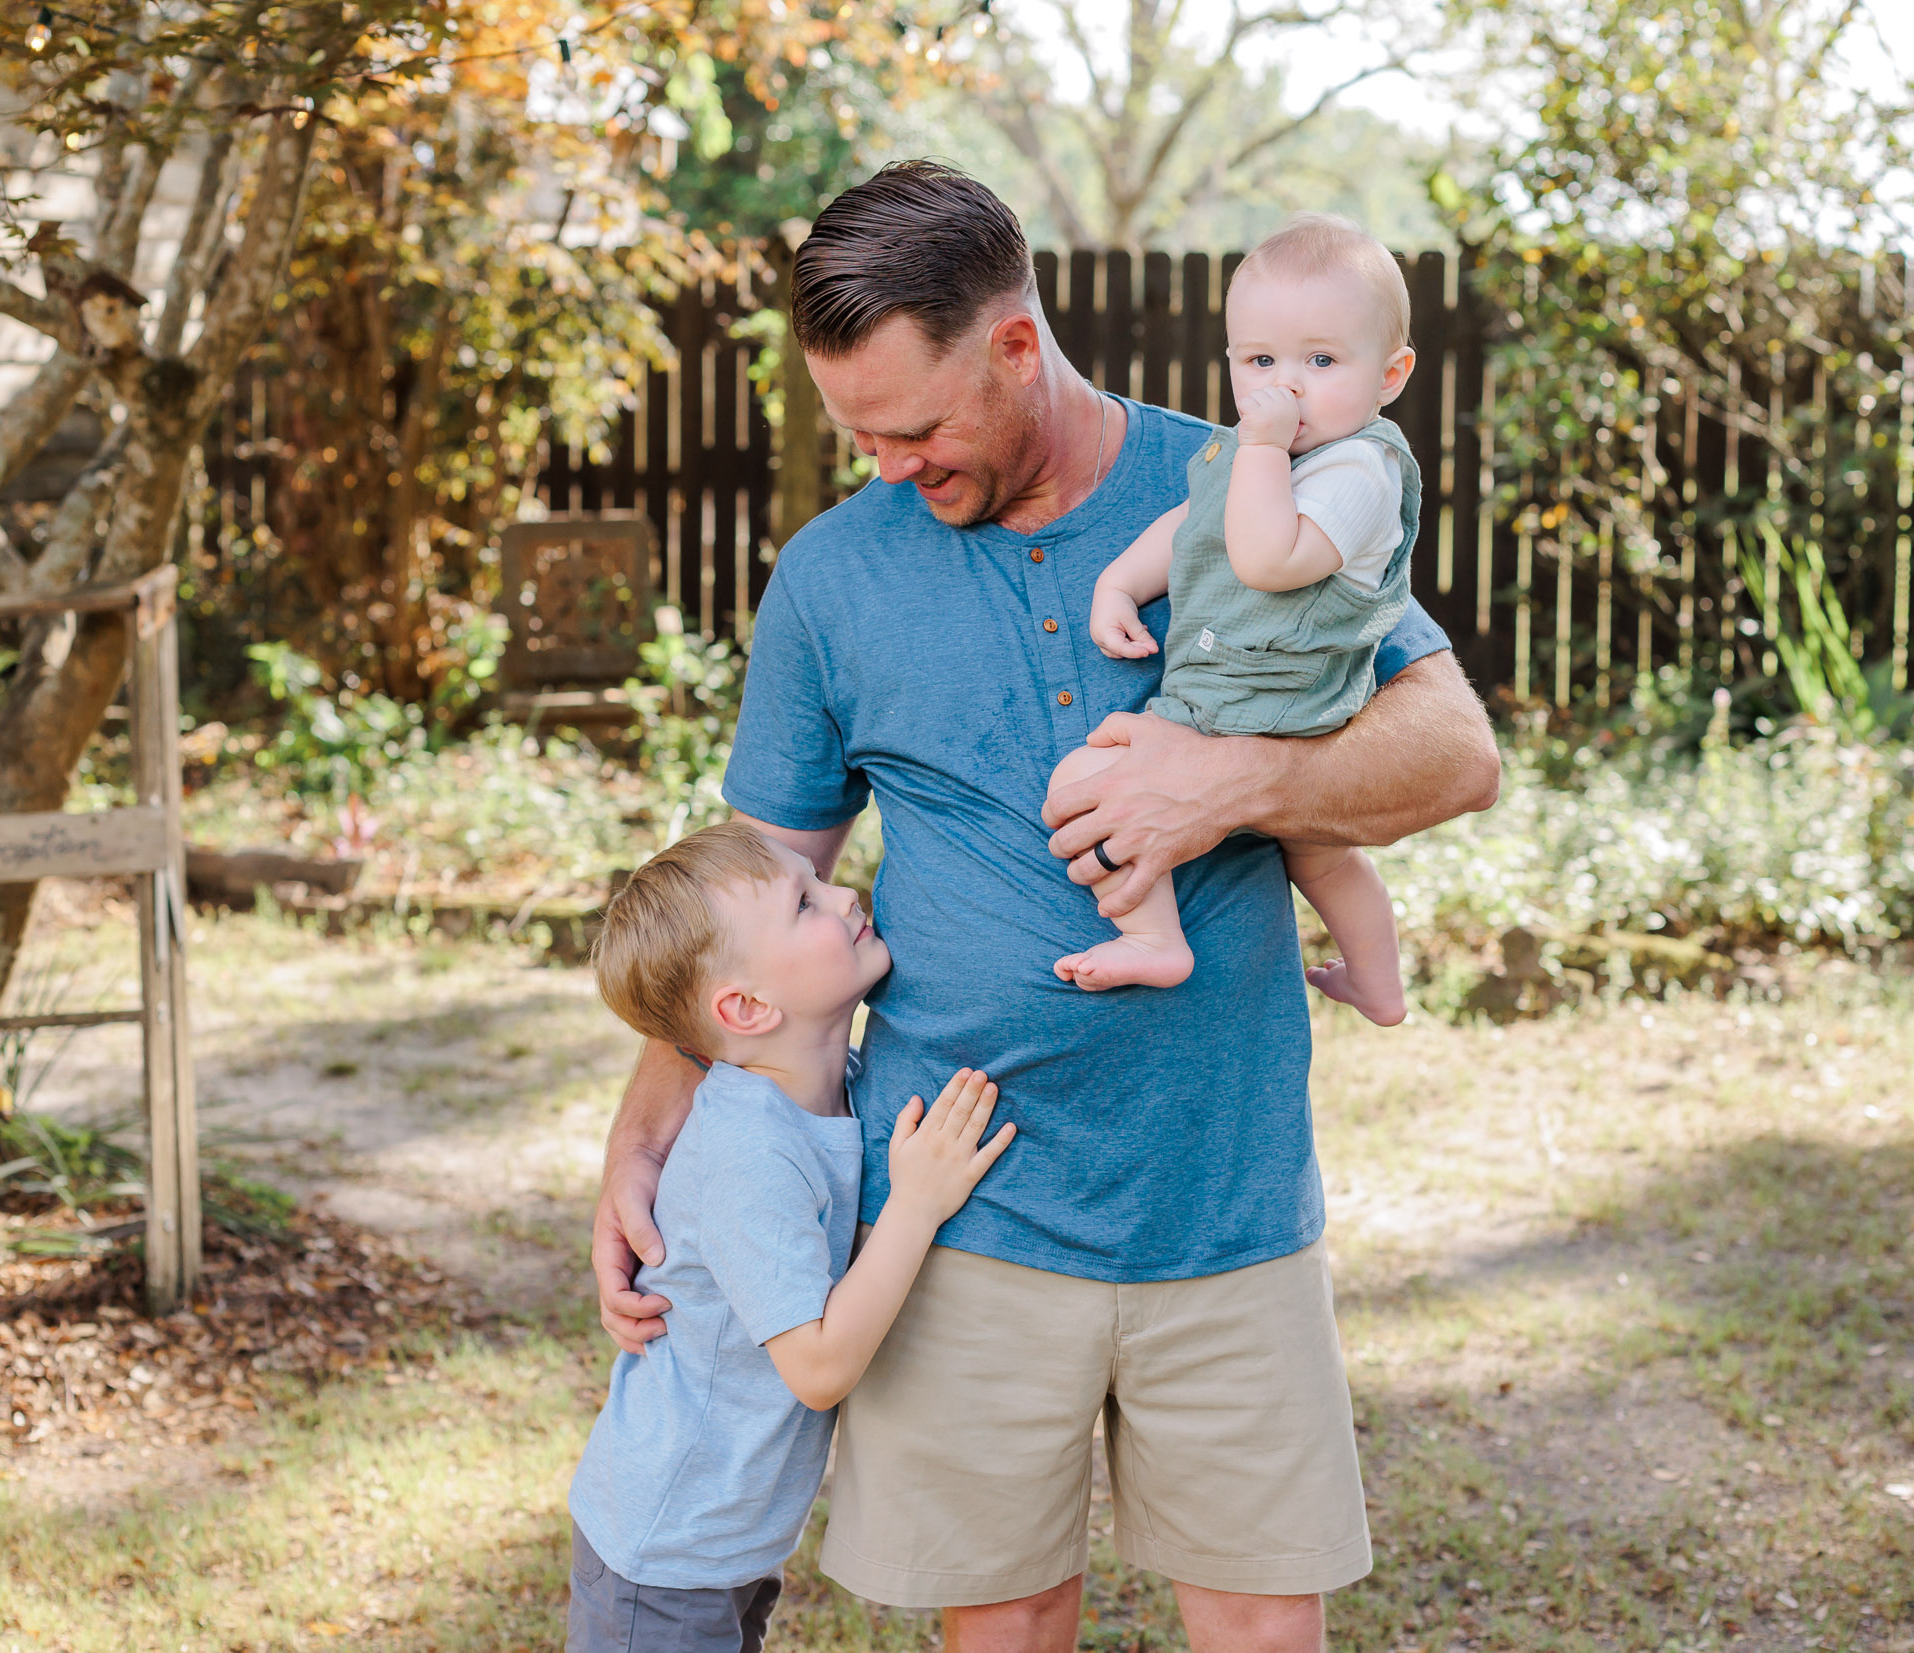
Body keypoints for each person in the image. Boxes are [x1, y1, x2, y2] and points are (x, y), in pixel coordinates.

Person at [591, 161, 1501, 1653]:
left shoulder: (1249, 489)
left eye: (919, 426)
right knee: (1003, 1626)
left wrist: (1226, 782)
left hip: (1225, 1193)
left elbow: (1457, 750)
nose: (889, 465)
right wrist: (641, 1137)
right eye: (857, 432)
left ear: (1018, 344)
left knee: (1265, 1627)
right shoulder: (832, 579)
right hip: (960, 1207)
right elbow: (743, 890)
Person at [569, 820, 1013, 1653]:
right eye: (805, 903)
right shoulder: (750, 1150)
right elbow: (815, 1366)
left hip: (720, 1542)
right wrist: (917, 1204)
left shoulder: (832, 1090)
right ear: (745, 1007)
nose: (846, 893)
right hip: (666, 1553)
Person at [1055, 211, 1421, 1025]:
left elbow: (1266, 557)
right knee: (1321, 858)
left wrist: (1260, 448)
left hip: (1276, 703)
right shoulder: (1255, 450)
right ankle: (1377, 983)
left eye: (1320, 360)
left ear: (1390, 374)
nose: (1285, 386)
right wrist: (1119, 583)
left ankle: (1155, 939)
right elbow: (1198, 523)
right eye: (1261, 361)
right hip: (1249, 697)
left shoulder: (1361, 470)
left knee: (1083, 779)